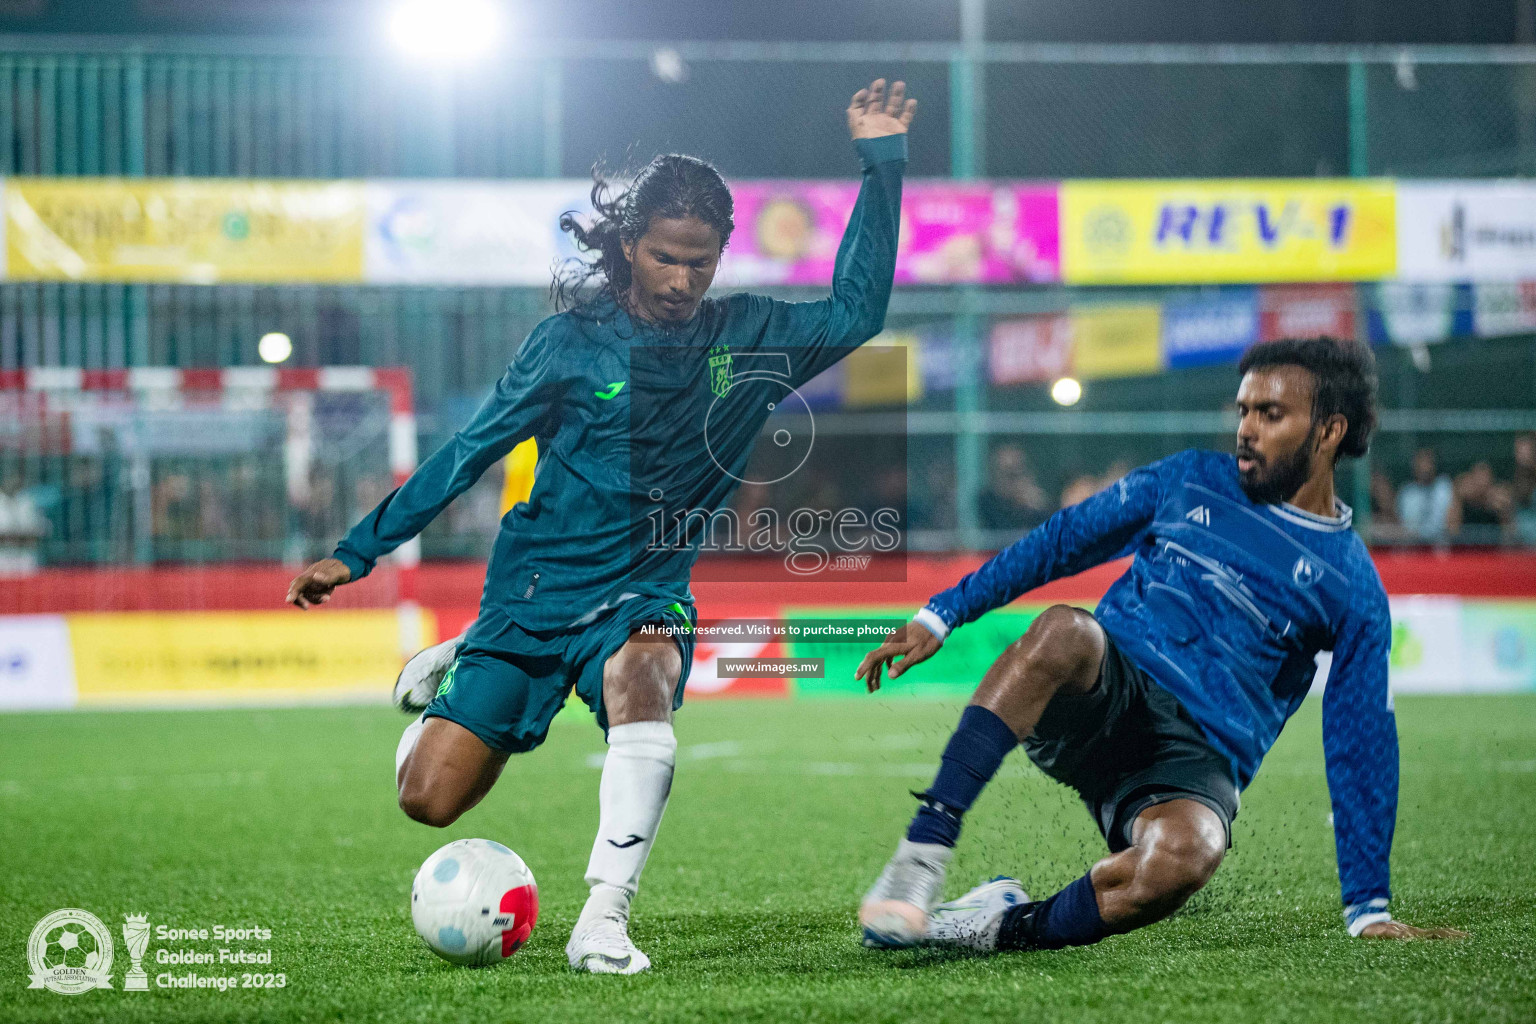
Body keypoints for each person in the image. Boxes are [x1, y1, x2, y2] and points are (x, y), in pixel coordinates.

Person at [285, 79, 917, 974]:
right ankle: (468, 655)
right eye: (664, 257)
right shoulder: (567, 345)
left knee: (646, 675)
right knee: (427, 802)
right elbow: (465, 454)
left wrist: (881, 160)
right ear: (628, 247)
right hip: (534, 597)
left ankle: (603, 919)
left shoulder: (751, 339)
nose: (682, 280)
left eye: (700, 262)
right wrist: (356, 553)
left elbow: (860, 312)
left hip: (645, 596)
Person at [853, 337, 1466, 954]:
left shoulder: (1352, 588)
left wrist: (1368, 906)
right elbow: (1064, 539)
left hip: (1192, 759)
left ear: (1330, 431)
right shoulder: (1190, 480)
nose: (1247, 429)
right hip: (1107, 691)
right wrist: (943, 613)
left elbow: (1360, 739)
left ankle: (985, 926)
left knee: (1188, 855)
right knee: (1066, 629)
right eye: (1244, 410)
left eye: (1270, 414)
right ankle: (921, 856)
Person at [1397, 448, 1458, 543]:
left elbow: (1453, 526)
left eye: (1428, 462)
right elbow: (1401, 527)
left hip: (1441, 546)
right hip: (1412, 546)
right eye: (1421, 462)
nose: (1425, 467)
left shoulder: (1444, 486)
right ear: (1415, 466)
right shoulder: (1407, 492)